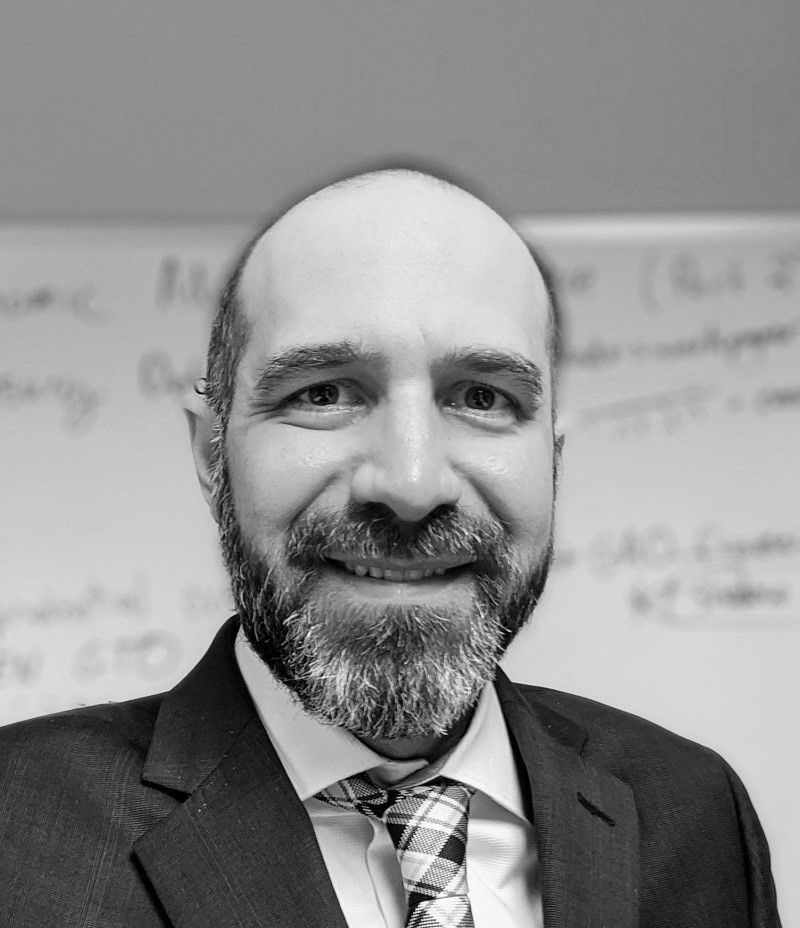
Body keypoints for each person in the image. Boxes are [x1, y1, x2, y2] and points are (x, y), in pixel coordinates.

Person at [0, 167, 781, 928]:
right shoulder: (17, 834)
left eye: (483, 398)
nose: (411, 483)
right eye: (323, 393)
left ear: (553, 461)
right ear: (212, 455)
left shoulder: (694, 812)